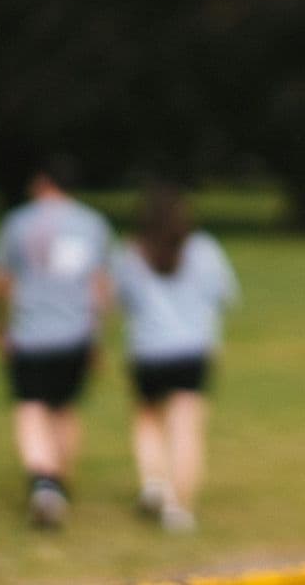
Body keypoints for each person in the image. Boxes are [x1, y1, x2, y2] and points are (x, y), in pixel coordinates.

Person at [0, 158, 112, 528]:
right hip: (75, 333)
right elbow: (101, 288)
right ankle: (59, 479)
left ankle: (43, 482)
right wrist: (97, 335)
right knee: (64, 408)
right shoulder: (92, 224)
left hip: (29, 333)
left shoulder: (19, 222)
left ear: (42, 182)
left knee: (30, 407)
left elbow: (1, 282)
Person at [112, 183, 239, 532]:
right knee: (186, 429)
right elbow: (226, 295)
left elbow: (118, 301)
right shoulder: (205, 249)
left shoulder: (130, 253)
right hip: (193, 351)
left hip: (147, 352)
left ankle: (154, 483)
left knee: (148, 420)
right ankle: (178, 508)